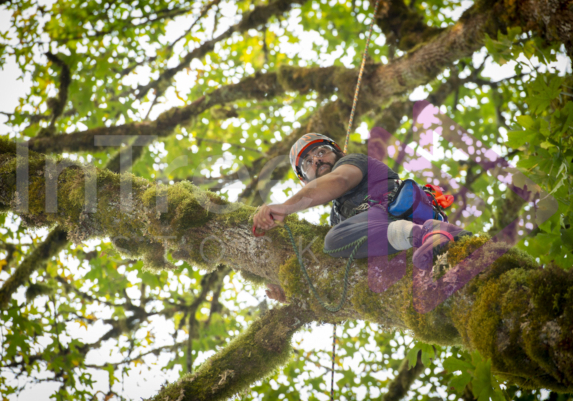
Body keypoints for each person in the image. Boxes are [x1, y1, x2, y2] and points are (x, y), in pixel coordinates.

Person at [253, 133, 472, 302]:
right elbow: (335, 267)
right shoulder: (338, 217)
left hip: (391, 209)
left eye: (321, 152)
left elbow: (339, 181)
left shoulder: (354, 163)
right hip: (399, 245)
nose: (316, 160)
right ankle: (430, 235)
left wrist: (284, 207)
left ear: (338, 153)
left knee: (333, 240)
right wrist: (295, 293)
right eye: (307, 163)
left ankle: (426, 234)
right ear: (305, 179)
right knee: (337, 242)